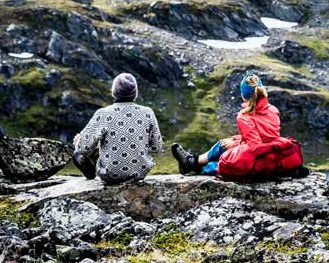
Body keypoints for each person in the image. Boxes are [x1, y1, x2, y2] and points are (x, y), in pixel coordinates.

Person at [172, 73, 309, 179]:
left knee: (228, 161)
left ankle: (196, 166)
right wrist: (237, 141)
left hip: (259, 156)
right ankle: (192, 162)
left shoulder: (244, 117)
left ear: (243, 96)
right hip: (271, 149)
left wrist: (237, 142)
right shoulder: (273, 109)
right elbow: (267, 137)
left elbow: (255, 147)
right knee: (225, 144)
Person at [72, 72, 164, 185]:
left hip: (110, 174)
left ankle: (91, 174)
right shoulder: (147, 112)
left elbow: (84, 148)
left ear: (114, 92)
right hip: (140, 173)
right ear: (135, 93)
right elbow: (156, 147)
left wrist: (78, 142)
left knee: (78, 153)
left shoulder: (103, 113)